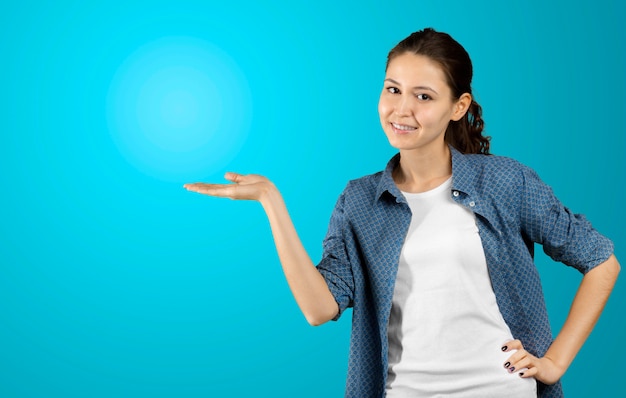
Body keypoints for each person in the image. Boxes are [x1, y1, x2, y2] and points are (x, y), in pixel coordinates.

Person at [184, 28, 619, 398]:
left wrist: (555, 362)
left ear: (458, 107)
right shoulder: (359, 201)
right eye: (393, 89)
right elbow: (319, 308)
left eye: (423, 96)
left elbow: (601, 261)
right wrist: (272, 204)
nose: (402, 109)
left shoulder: (504, 181)